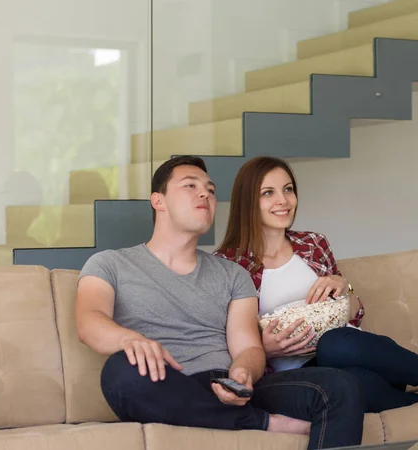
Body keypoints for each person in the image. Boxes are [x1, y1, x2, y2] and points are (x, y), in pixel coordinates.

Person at [75, 156, 365, 450]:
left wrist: (243, 373)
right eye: (190, 185)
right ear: (158, 200)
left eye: (211, 190)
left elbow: (249, 348)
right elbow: (89, 322)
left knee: (341, 386)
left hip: (227, 385)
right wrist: (132, 340)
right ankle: (262, 423)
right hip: (164, 382)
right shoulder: (110, 263)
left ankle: (240, 415)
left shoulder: (233, 273)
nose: (205, 194)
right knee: (119, 373)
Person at [214, 156, 418, 413]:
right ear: (247, 201)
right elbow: (216, 342)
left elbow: (354, 314)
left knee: (335, 342)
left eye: (288, 190)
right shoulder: (227, 264)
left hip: (362, 355)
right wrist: (264, 350)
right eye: (268, 193)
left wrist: (343, 286)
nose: (283, 201)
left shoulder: (313, 244)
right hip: (301, 375)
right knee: (351, 384)